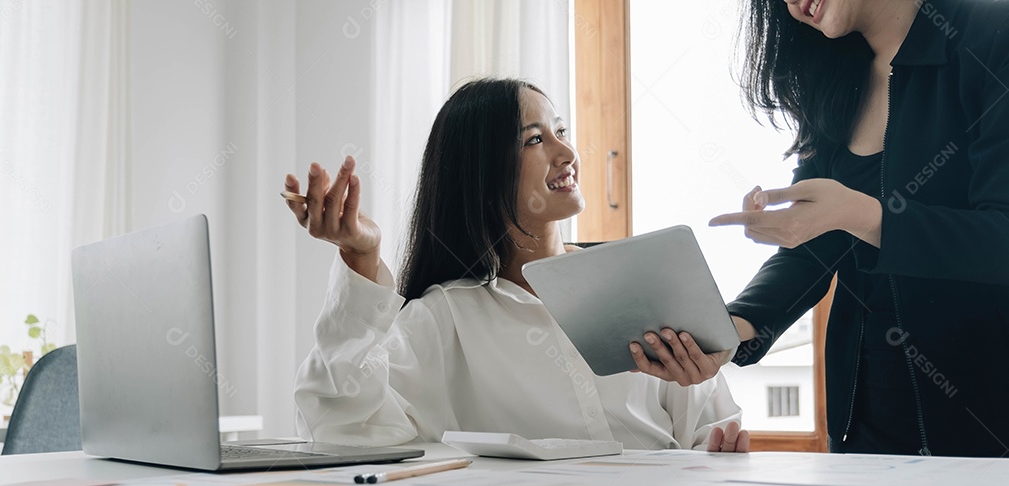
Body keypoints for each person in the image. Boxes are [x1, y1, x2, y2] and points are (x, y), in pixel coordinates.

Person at [284, 78, 750, 452]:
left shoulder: (642, 284)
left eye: (561, 132)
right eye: (535, 139)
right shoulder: (445, 319)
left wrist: (721, 447)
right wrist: (361, 257)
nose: (566, 154)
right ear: (484, 172)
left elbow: (710, 428)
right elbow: (341, 428)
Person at [630, 0, 1009, 457]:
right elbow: (810, 251)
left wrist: (860, 214)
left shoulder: (992, 35)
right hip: (868, 434)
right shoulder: (834, 77)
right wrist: (729, 330)